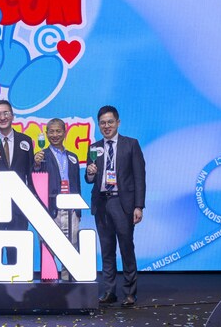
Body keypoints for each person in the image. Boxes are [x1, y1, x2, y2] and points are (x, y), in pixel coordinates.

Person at [85, 105, 146, 307]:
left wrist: (139, 206)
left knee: (126, 248)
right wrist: (90, 173)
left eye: (110, 122)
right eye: (102, 123)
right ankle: (109, 291)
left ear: (118, 122)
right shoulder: (94, 147)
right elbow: (89, 179)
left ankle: (130, 292)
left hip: (123, 203)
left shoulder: (131, 144)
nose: (106, 126)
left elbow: (139, 177)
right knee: (107, 249)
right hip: (101, 203)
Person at [0, 99, 35, 265]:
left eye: (6, 113)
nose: (2, 117)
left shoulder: (25, 140)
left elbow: (30, 173)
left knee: (16, 247)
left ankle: (16, 278)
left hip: (19, 204)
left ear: (13, 115)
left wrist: (31, 201)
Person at [33, 118, 81, 281]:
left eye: (58, 131)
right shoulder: (41, 156)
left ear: (65, 132)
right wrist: (36, 165)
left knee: (71, 247)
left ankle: (68, 283)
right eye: (51, 132)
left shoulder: (73, 157)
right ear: (46, 134)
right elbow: (34, 179)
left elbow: (77, 184)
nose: (55, 135)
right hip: (50, 209)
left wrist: (78, 211)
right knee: (48, 247)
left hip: (71, 209)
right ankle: (49, 284)